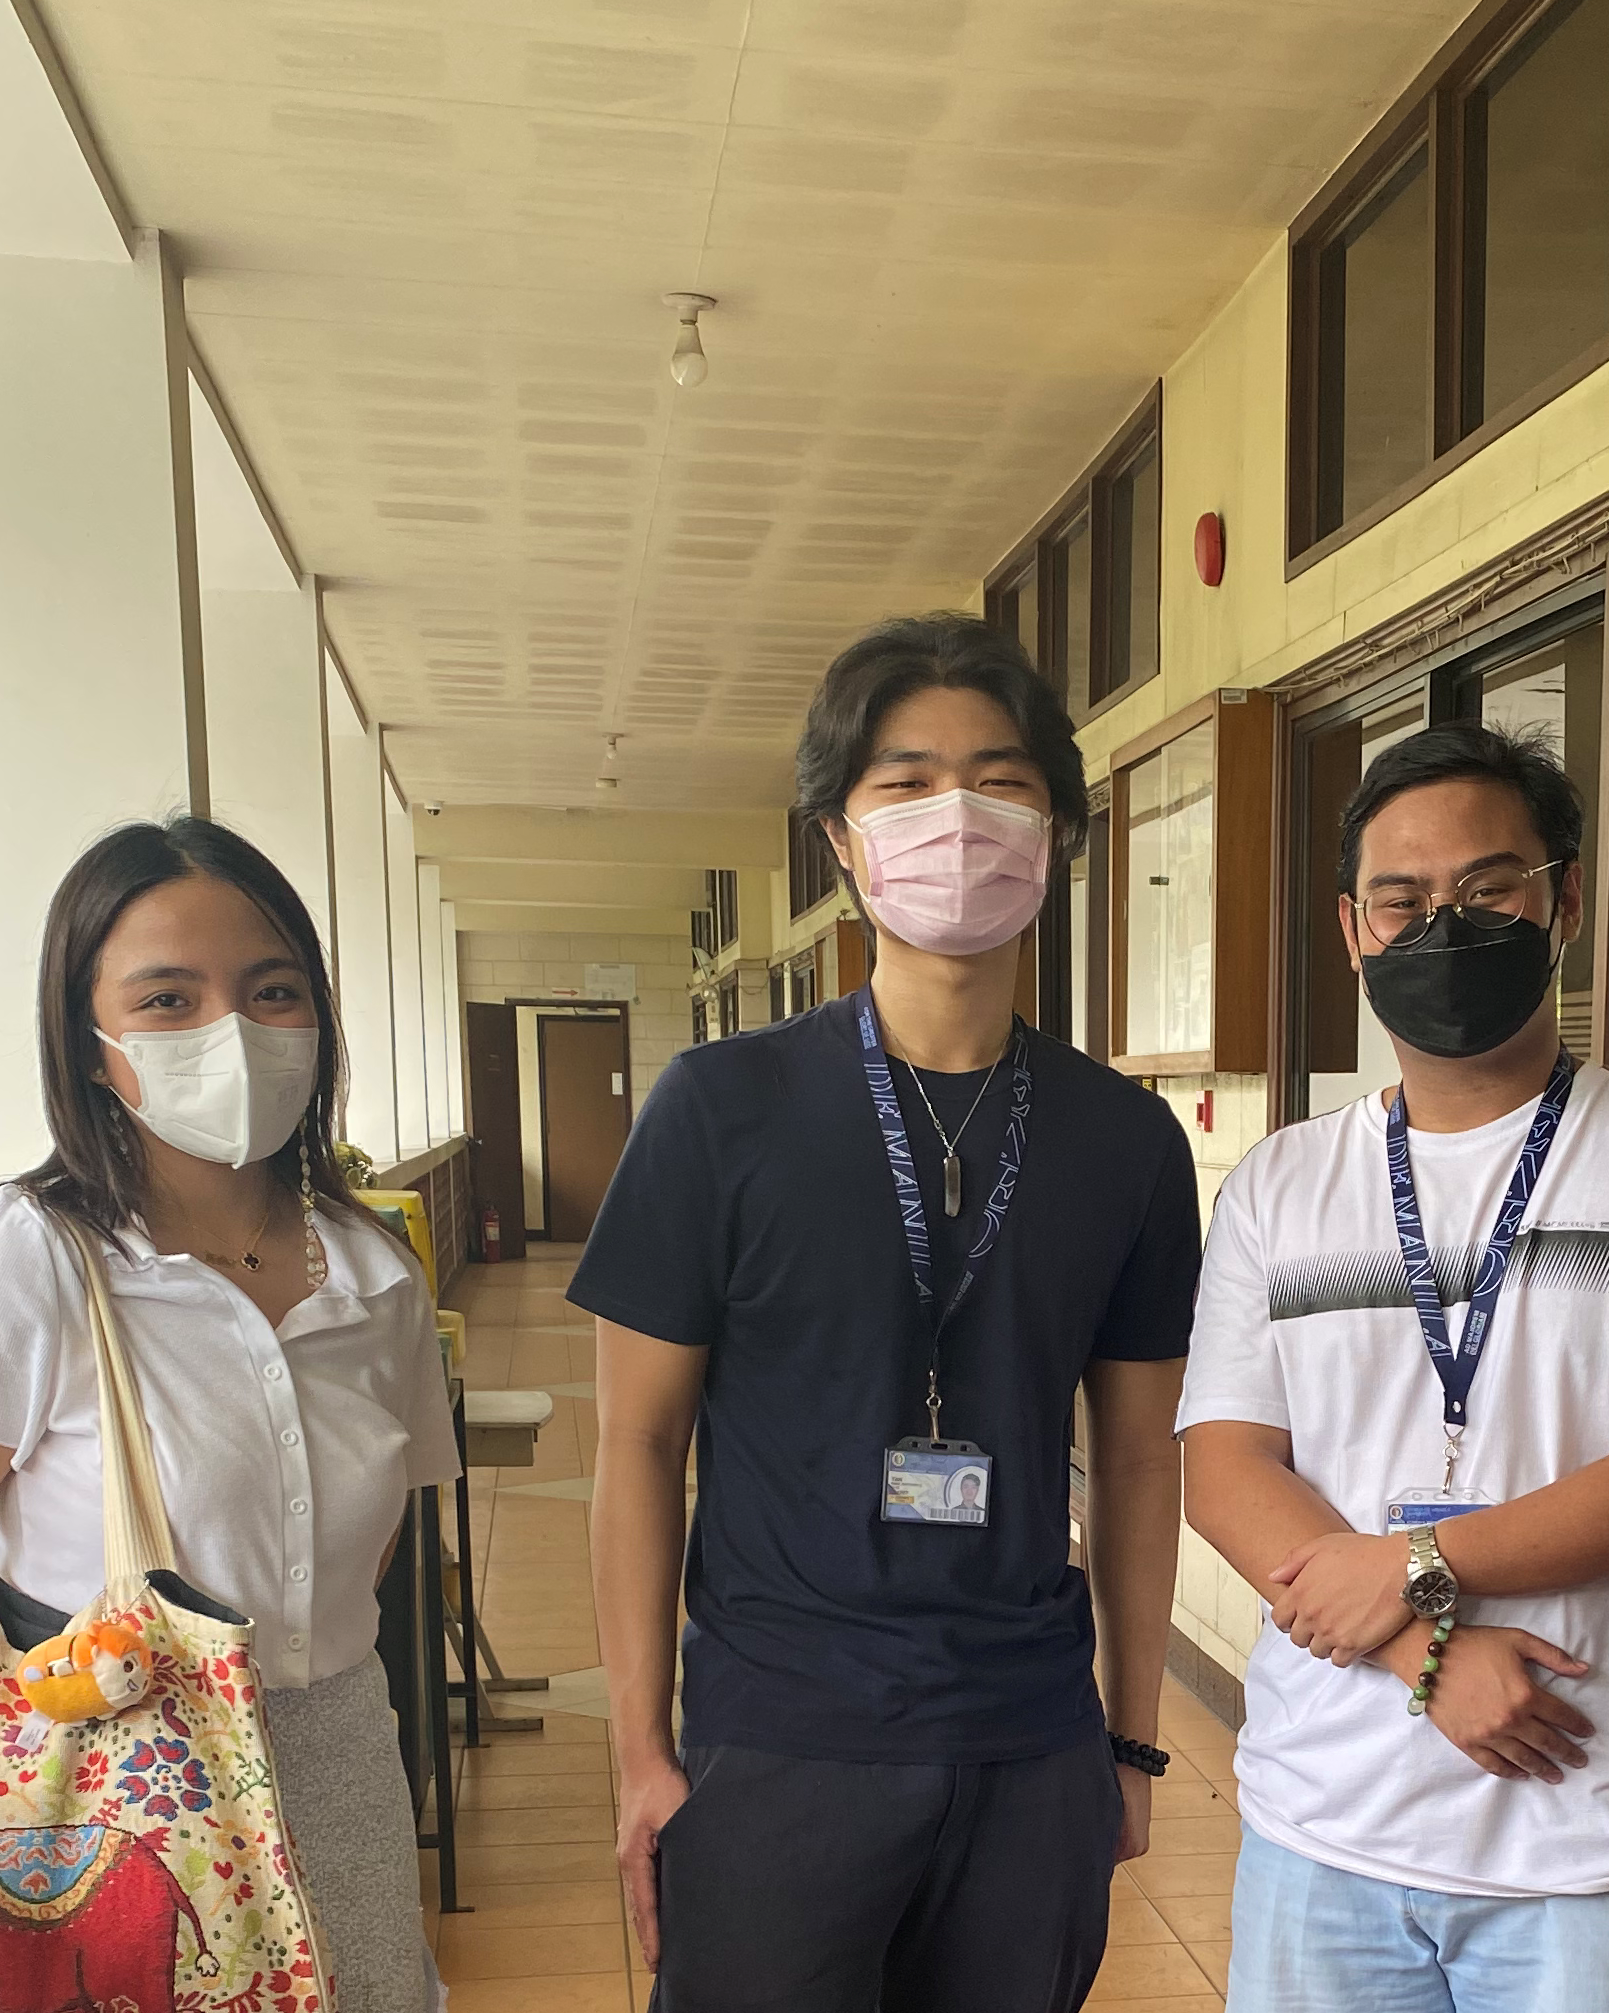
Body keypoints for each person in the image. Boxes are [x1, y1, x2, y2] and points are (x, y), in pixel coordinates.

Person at [577, 613, 1201, 2013]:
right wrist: (640, 1755)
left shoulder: (1125, 1141)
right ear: (838, 838)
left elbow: (1144, 1453)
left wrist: (1130, 1739)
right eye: (905, 783)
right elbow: (633, 1445)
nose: (956, 817)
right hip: (776, 1740)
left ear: (1057, 831)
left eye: (1001, 779)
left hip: (1026, 1740)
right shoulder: (718, 1111)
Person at [1180, 722, 1609, 2013]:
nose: (1442, 928)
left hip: (1592, 1834)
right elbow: (1226, 1467)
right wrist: (1427, 1643)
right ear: (1351, 928)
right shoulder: (1283, 1181)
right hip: (1324, 1824)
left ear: (1560, 901)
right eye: (1402, 901)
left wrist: (1419, 1563)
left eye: (1487, 890)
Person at [0, 815, 456, 2012]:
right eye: (168, 999)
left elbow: (360, 1550)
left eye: (271, 990)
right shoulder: (32, 1263)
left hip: (338, 1766)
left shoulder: (376, 1276)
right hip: (102, 1799)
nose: (229, 1030)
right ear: (92, 1040)